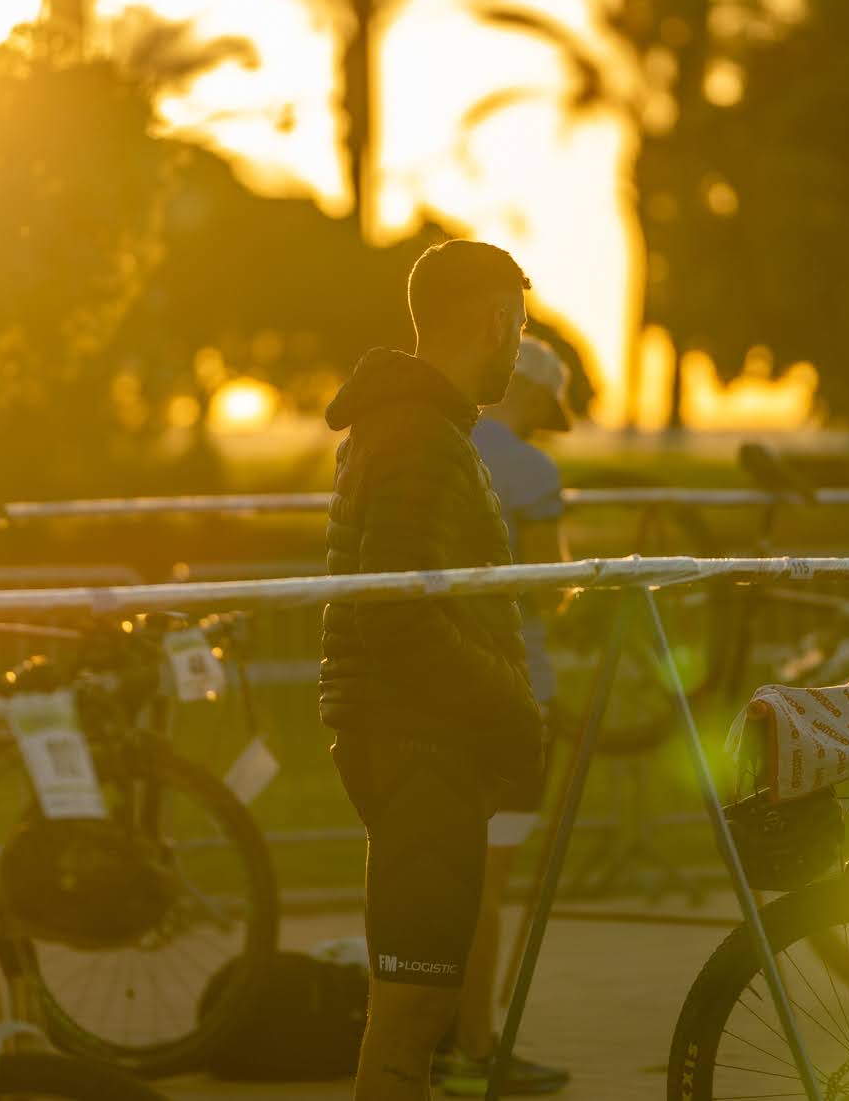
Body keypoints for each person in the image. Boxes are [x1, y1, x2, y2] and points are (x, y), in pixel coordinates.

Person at [320, 240, 548, 1101]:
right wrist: (511, 709)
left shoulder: (416, 421)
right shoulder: (417, 434)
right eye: (519, 329)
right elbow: (403, 620)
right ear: (495, 323)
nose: (520, 347)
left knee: (415, 1003)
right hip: (415, 742)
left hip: (411, 737)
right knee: (414, 1011)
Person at [435, 338, 576, 1095]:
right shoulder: (533, 470)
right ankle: (476, 1046)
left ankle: (427, 1033)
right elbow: (551, 587)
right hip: (518, 690)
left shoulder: (443, 446)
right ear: (532, 392)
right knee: (491, 878)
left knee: (437, 870)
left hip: (441, 684)